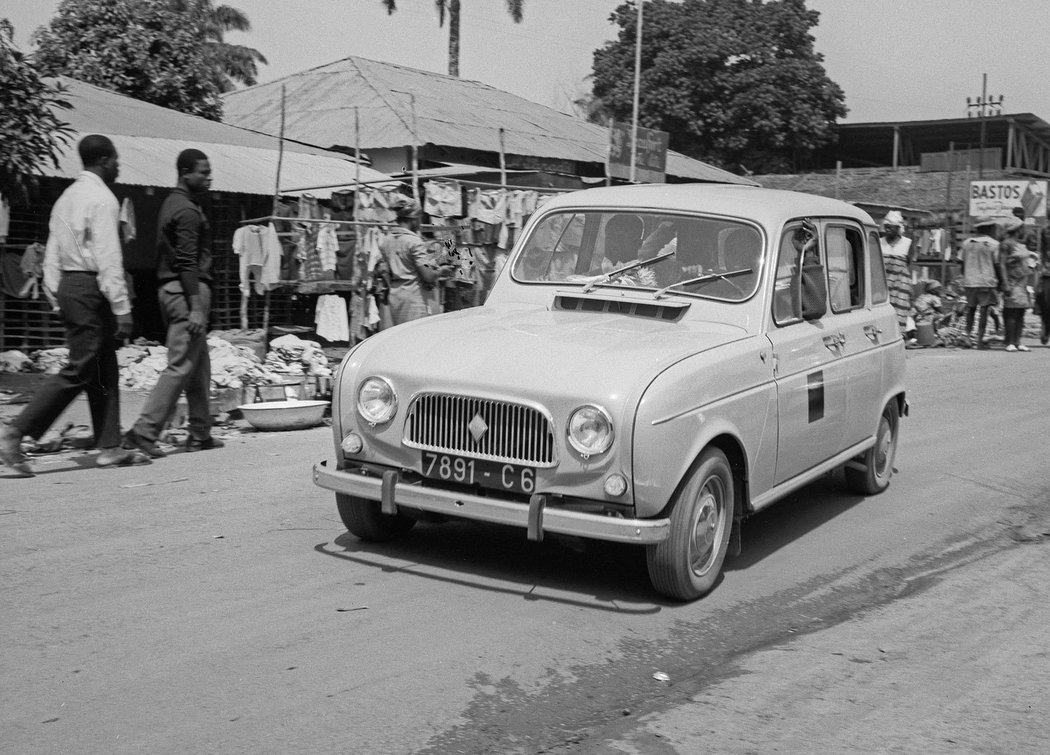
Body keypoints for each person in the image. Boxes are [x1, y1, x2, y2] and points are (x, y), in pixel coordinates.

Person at [0, 135, 138, 476]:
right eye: (116, 160)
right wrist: (122, 308)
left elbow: (52, 253)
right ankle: (16, 433)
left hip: (70, 286)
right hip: (91, 287)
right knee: (81, 366)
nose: (118, 167)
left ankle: (109, 446)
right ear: (105, 160)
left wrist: (55, 293)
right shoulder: (103, 200)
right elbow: (108, 258)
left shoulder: (67, 198)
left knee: (103, 364)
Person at [123, 148, 222, 458]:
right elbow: (187, 262)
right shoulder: (187, 211)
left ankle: (200, 432)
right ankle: (144, 432)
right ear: (185, 173)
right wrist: (195, 305)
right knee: (180, 366)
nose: (208, 177)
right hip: (186, 293)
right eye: (203, 172)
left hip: (175, 291)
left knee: (199, 364)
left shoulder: (173, 203)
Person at [380, 196, 453, 325]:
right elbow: (428, 276)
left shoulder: (386, 240)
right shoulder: (414, 242)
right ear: (413, 219)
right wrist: (441, 271)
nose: (419, 223)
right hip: (414, 298)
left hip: (395, 296)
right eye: (418, 219)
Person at [958, 216, 1003, 350]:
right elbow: (997, 265)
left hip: (970, 281)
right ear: (989, 228)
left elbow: (961, 262)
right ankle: (979, 340)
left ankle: (967, 335)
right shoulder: (994, 244)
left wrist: (966, 275)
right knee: (984, 310)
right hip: (986, 282)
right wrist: (1000, 281)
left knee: (970, 309)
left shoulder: (966, 243)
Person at [998, 216, 1032, 352]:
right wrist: (1005, 283)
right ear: (1018, 229)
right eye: (1022, 228)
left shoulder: (1021, 244)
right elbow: (1001, 264)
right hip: (1012, 282)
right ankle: (1010, 342)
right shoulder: (1006, 244)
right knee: (1011, 312)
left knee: (1021, 312)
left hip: (1022, 283)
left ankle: (1018, 341)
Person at [879, 210, 913, 334]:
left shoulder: (907, 243)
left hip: (900, 286)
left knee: (900, 314)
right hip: (883, 286)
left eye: (891, 227)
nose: (887, 229)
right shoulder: (879, 242)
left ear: (898, 228)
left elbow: (908, 264)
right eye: (886, 227)